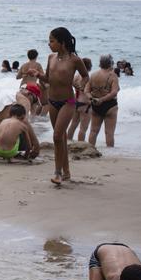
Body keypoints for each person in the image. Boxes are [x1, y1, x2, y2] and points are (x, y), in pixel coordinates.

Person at [46, 27, 90, 185]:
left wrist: (81, 85)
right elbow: (47, 78)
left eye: (52, 41)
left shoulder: (74, 60)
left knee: (57, 136)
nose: (49, 44)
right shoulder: (51, 57)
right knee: (61, 138)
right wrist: (38, 76)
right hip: (52, 101)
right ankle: (66, 172)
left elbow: (86, 76)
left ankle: (57, 173)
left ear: (62, 42)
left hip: (68, 102)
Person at [88, 54, 121, 148]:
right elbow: (114, 92)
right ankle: (110, 154)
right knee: (109, 133)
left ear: (100, 63)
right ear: (111, 64)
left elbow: (86, 91)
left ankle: (90, 150)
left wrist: (92, 99)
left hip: (95, 105)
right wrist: (102, 100)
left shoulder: (93, 75)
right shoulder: (113, 76)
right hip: (110, 106)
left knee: (93, 131)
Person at [69, 58, 93, 141]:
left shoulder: (75, 77)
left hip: (75, 102)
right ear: (89, 66)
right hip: (85, 104)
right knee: (83, 128)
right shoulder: (88, 78)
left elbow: (72, 86)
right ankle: (81, 145)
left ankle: (68, 142)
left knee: (73, 125)